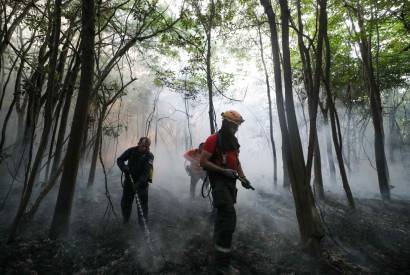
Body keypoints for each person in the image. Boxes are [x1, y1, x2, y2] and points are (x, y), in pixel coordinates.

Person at [200, 111, 254, 275]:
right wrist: (223, 172)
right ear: (226, 124)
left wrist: (243, 178)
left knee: (222, 219)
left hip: (230, 185)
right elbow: (203, 162)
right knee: (229, 219)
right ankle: (222, 265)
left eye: (237, 126)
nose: (236, 129)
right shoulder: (213, 139)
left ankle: (216, 251)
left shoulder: (233, 142)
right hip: (219, 184)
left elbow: (236, 162)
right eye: (234, 126)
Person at [117, 137, 154, 226]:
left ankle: (143, 226)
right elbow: (120, 160)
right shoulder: (131, 151)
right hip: (129, 181)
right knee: (126, 203)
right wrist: (124, 168)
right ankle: (125, 220)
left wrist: (138, 184)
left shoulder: (149, 156)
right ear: (138, 144)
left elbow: (146, 172)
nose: (144, 148)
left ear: (148, 147)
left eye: (146, 147)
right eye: (142, 146)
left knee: (142, 206)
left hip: (142, 184)